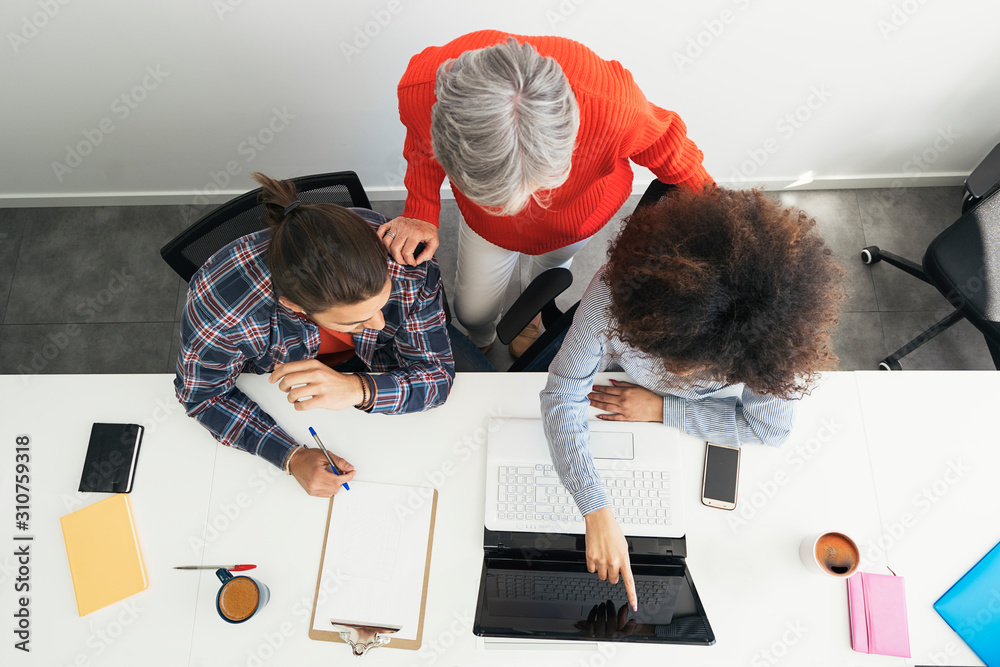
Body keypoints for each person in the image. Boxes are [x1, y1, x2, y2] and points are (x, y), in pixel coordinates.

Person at [540, 186, 846, 611]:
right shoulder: (613, 294)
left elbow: (769, 428)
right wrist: (595, 507)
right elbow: (562, 392)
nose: (669, 373)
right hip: (611, 381)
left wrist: (664, 409)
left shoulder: (771, 336)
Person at [382, 30, 713, 356]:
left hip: (576, 216)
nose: (521, 208)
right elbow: (423, 145)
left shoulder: (617, 106)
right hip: (485, 225)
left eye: (539, 186)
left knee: (547, 281)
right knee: (472, 312)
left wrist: (722, 221)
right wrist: (420, 211)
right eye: (499, 196)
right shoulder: (423, 89)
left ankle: (534, 314)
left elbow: (670, 147)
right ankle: (479, 338)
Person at [174, 172, 477, 497]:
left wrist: (355, 388)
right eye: (356, 321)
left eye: (382, 303)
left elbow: (436, 377)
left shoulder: (399, 254)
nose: (378, 324)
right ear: (295, 306)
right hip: (276, 388)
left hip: (381, 367)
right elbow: (203, 396)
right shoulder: (220, 306)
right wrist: (291, 457)